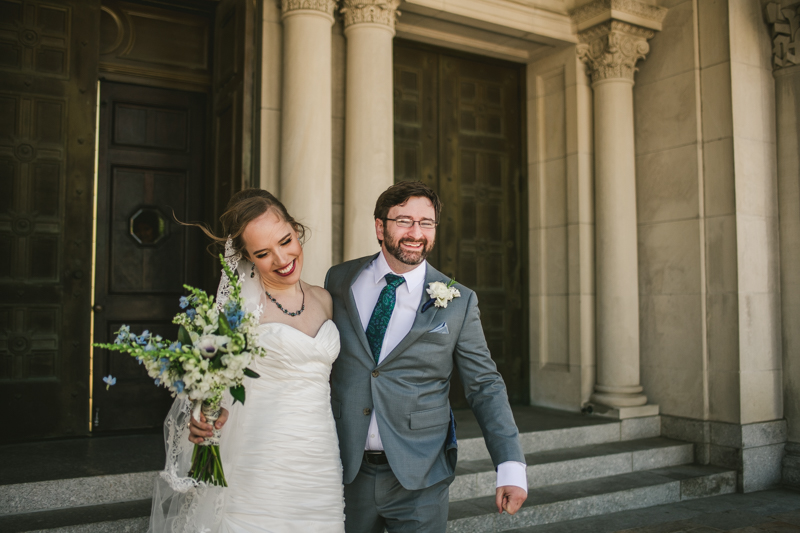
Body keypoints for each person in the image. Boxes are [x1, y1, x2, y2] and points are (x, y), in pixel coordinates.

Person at [325, 180, 528, 533]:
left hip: (420, 476)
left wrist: (510, 464)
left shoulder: (459, 301)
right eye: (404, 220)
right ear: (380, 226)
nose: (416, 233)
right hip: (346, 469)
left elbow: (484, 385)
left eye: (426, 223)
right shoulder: (340, 280)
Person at [150, 189, 345, 532]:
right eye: (263, 253)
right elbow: (207, 381)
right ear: (247, 258)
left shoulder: (325, 299)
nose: (282, 259)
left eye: (285, 241)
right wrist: (204, 414)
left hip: (319, 457)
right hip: (260, 457)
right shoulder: (238, 312)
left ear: (296, 230)